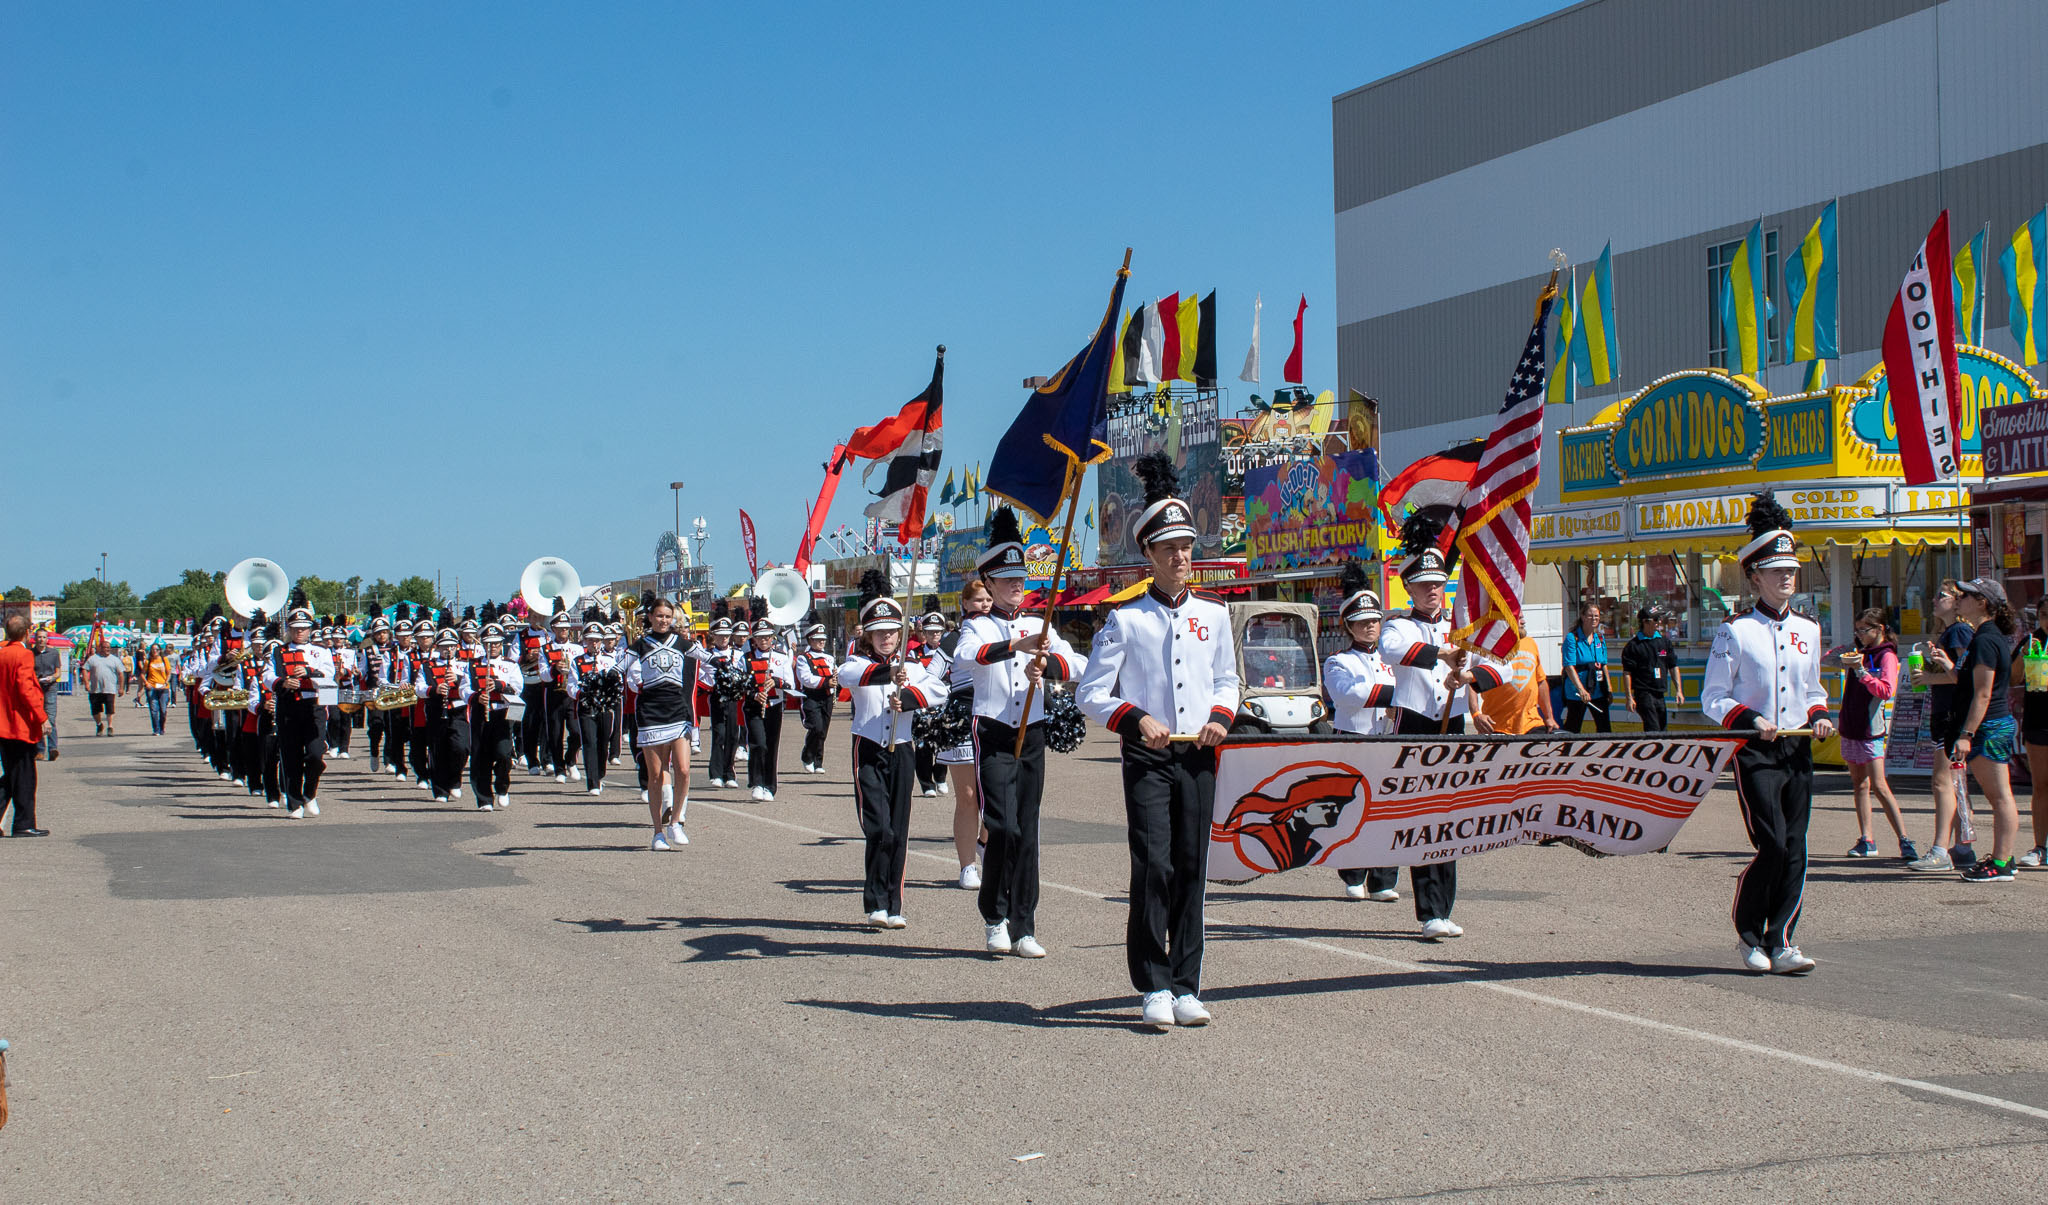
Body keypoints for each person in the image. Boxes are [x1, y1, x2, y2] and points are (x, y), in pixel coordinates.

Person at [1075, 453, 1240, 1029]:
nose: (1180, 557)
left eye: (1187, 546)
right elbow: (1090, 693)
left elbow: (1228, 679)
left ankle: (1187, 982)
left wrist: (1223, 715)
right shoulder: (1125, 620)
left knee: (1194, 866)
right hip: (1148, 756)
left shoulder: (1215, 615)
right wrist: (1136, 718)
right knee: (1154, 865)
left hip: (1199, 753)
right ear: (1147, 554)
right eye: (1168, 548)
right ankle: (1152, 984)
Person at [1699, 494, 1835, 975]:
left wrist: (1819, 713)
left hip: (1798, 746)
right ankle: (1749, 933)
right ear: (1755, 575)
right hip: (1755, 749)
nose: (1786, 578)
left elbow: (1812, 686)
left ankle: (1782, 940)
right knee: (1772, 843)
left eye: (1791, 570)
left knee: (1796, 845)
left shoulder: (1809, 629)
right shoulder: (1734, 631)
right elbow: (1712, 698)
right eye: (1776, 571)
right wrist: (1752, 719)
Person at [955, 506, 1086, 959]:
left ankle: (1024, 925)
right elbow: (971, 657)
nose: (1017, 585)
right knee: (1003, 827)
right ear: (988, 583)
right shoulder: (976, 625)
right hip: (991, 733)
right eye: (1007, 578)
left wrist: (1048, 664)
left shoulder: (1040, 621)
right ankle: (995, 915)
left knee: (1027, 830)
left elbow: (1080, 665)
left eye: (1021, 577)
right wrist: (1016, 645)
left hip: (1031, 733)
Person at [1373, 514, 1505, 939]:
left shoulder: (1460, 625)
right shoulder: (1399, 624)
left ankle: (1443, 908)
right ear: (1409, 588)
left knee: (1449, 815)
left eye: (1438, 584)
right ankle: (1428, 910)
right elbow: (1392, 650)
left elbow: (1500, 665)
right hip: (1414, 726)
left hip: (1452, 726)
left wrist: (1468, 678)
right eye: (1424, 585)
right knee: (1420, 817)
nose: (1433, 591)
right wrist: (1443, 656)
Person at [837, 570, 948, 929]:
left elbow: (939, 691)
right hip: (867, 750)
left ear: (900, 634)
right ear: (868, 635)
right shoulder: (858, 662)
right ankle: (875, 902)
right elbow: (846, 676)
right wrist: (888, 676)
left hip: (902, 750)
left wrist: (911, 696)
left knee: (898, 830)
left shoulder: (913, 668)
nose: (887, 638)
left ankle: (894, 904)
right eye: (880, 632)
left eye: (892, 632)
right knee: (879, 828)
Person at [1920, 577, 2024, 882]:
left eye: (1966, 596)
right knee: (1998, 795)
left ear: (1982, 603)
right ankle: (2004, 857)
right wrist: (1946, 663)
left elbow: (1983, 693)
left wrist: (1966, 735)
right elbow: (1964, 682)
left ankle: (2002, 862)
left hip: (1988, 726)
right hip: (1985, 725)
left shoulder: (1986, 639)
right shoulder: (1983, 637)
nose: (1960, 599)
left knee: (1999, 796)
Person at [1323, 563, 1400, 902]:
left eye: (1374, 621)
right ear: (1349, 626)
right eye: (1363, 622)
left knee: (1387, 810)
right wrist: (1390, 693)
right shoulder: (1338, 661)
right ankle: (1353, 875)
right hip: (1353, 740)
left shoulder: (1391, 661)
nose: (1370, 627)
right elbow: (1346, 695)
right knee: (1352, 808)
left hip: (1387, 739)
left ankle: (1383, 879)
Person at [1907, 582, 1982, 872]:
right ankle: (1963, 847)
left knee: (1942, 782)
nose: (1935, 600)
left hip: (1951, 715)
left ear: (1958, 601)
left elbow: (1964, 677)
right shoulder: (1950, 633)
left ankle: (1940, 850)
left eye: (1942, 596)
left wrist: (1929, 675)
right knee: (1955, 783)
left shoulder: (1961, 631)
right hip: (1946, 713)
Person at [1833, 608, 1913, 861]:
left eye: (1864, 630)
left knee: (1879, 785)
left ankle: (1904, 839)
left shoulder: (1886, 655)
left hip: (1871, 730)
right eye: (1857, 630)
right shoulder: (1860, 652)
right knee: (1859, 785)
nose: (1860, 635)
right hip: (1850, 726)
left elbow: (1886, 690)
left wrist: (1861, 671)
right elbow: (1826, 657)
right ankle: (1866, 838)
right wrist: (1849, 651)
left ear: (1879, 629)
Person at [625, 593, 703, 850]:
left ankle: (676, 821)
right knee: (656, 775)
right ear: (650, 617)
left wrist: (729, 666)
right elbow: (623, 670)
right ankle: (658, 832)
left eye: (668, 617)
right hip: (651, 713)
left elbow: (707, 660)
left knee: (682, 769)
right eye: (659, 616)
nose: (663, 620)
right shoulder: (640, 645)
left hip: (678, 712)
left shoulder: (682, 643)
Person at [940, 580, 994, 888]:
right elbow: (931, 675)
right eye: (977, 600)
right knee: (968, 797)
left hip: (995, 717)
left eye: (988, 599)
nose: (984, 604)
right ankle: (967, 867)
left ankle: (984, 843)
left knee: (994, 795)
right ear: (964, 604)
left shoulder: (1002, 632)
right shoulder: (954, 639)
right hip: (962, 719)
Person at [267, 598, 338, 819]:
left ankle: (310, 792)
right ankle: (294, 803)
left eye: (303, 628)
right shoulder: (278, 651)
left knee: (316, 754)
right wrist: (282, 682)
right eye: (295, 628)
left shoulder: (321, 651)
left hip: (313, 706)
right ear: (289, 629)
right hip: (288, 706)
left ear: (309, 629)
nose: (299, 632)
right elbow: (267, 676)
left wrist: (308, 671)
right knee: (290, 756)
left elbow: (329, 677)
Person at [1, 614, 52, 837]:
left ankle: (22, 822)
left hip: (4, 724)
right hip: (18, 724)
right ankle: (23, 823)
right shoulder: (22, 655)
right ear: (27, 633)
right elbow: (26, 689)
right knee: (24, 778)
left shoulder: (2, 652)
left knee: (12, 775)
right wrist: (42, 717)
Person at [468, 616, 524, 810]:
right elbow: (464, 688)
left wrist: (498, 684)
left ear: (502, 644)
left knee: (503, 753)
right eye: (488, 643)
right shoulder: (473, 664)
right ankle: (484, 798)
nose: (492, 647)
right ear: (483, 644)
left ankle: (502, 786)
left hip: (502, 714)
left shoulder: (510, 665)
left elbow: (517, 687)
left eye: (496, 643)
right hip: (481, 713)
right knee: (480, 756)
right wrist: (476, 697)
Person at [741, 607, 794, 802]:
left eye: (767, 637)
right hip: (754, 705)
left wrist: (777, 682)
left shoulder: (780, 657)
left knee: (771, 745)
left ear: (773, 637)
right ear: (753, 639)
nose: (764, 641)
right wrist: (754, 693)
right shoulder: (745, 658)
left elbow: (791, 684)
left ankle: (770, 786)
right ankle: (756, 782)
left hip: (775, 705)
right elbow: (739, 684)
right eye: (759, 637)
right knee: (758, 743)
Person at [2013, 606, 2048, 869]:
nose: (2047, 619)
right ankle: (2040, 846)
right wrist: (2023, 658)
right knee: (2041, 786)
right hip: (2039, 721)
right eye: (2044, 614)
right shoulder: (2032, 641)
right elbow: (2014, 677)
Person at [1621, 605, 1683, 731]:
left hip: (1659, 692)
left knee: (1662, 729)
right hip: (1643, 693)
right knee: (1653, 729)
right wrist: (1629, 697)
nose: (1658, 622)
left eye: (1659, 619)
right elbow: (1627, 672)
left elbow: (1673, 666)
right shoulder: (1633, 646)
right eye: (1655, 619)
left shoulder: (1664, 642)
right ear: (1645, 622)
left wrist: (1679, 690)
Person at [793, 623, 838, 775]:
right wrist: (826, 682)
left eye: (823, 639)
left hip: (827, 696)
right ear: (810, 640)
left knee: (823, 730)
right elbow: (806, 678)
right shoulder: (803, 658)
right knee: (816, 727)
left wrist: (836, 679)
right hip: (811, 696)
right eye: (817, 639)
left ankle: (818, 762)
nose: (821, 642)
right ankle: (807, 755)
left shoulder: (829, 658)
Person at [1560, 602, 1612, 733]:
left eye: (1596, 616)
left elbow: (1603, 665)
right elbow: (1569, 666)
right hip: (1577, 691)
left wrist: (1609, 689)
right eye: (1590, 616)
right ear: (1583, 617)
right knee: (1573, 725)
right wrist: (1581, 690)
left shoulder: (1599, 638)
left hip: (1598, 688)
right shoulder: (1573, 638)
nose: (1594, 619)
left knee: (1604, 727)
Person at [82, 640, 126, 736]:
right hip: (95, 689)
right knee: (95, 710)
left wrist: (121, 688)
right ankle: (99, 724)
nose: (107, 649)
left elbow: (121, 674)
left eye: (108, 647)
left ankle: (110, 727)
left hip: (110, 688)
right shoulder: (93, 659)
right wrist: (86, 683)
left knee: (110, 709)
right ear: (100, 648)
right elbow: (84, 669)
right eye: (105, 647)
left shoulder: (115, 660)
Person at [30, 629, 61, 758]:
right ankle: (40, 750)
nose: (41, 639)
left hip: (50, 687)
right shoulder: (30, 654)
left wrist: (52, 678)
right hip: (36, 688)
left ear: (47, 639)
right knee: (37, 718)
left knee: (51, 718)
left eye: (43, 637)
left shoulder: (53, 653)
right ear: (35, 638)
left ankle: (53, 748)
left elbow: (58, 672)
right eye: (39, 637)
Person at [140, 640, 174, 737]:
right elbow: (142, 674)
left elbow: (169, 673)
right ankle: (156, 729)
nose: (155, 651)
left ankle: (162, 727)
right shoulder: (148, 661)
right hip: (152, 687)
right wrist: (146, 683)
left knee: (163, 710)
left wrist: (166, 682)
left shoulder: (164, 660)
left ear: (160, 651)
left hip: (163, 688)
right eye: (153, 649)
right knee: (154, 710)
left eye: (157, 649)